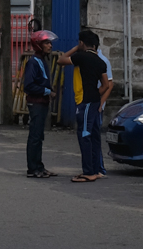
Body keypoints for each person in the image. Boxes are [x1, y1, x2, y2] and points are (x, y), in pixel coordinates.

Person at [57, 28, 112, 182]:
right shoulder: (101, 62)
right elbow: (106, 85)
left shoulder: (81, 57)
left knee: (84, 135)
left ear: (82, 43)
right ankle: (95, 169)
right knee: (93, 135)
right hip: (94, 101)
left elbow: (61, 60)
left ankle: (89, 172)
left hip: (85, 102)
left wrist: (76, 48)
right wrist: (96, 93)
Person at [21, 29, 57, 178]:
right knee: (35, 136)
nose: (50, 46)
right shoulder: (33, 62)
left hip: (42, 102)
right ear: (38, 45)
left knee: (39, 135)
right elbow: (28, 86)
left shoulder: (42, 61)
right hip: (36, 103)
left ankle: (39, 166)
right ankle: (33, 168)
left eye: (49, 43)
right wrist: (47, 91)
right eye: (47, 43)